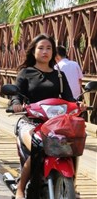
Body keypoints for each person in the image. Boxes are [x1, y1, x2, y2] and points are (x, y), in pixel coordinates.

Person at [10, 34, 77, 199]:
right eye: (41, 48)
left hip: (55, 124)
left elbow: (69, 98)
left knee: (73, 144)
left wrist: (77, 105)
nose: (45, 51)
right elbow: (16, 95)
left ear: (53, 52)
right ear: (33, 51)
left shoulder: (59, 75)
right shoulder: (26, 73)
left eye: (49, 48)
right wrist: (16, 104)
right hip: (30, 122)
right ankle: (20, 188)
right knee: (38, 146)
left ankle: (69, 185)